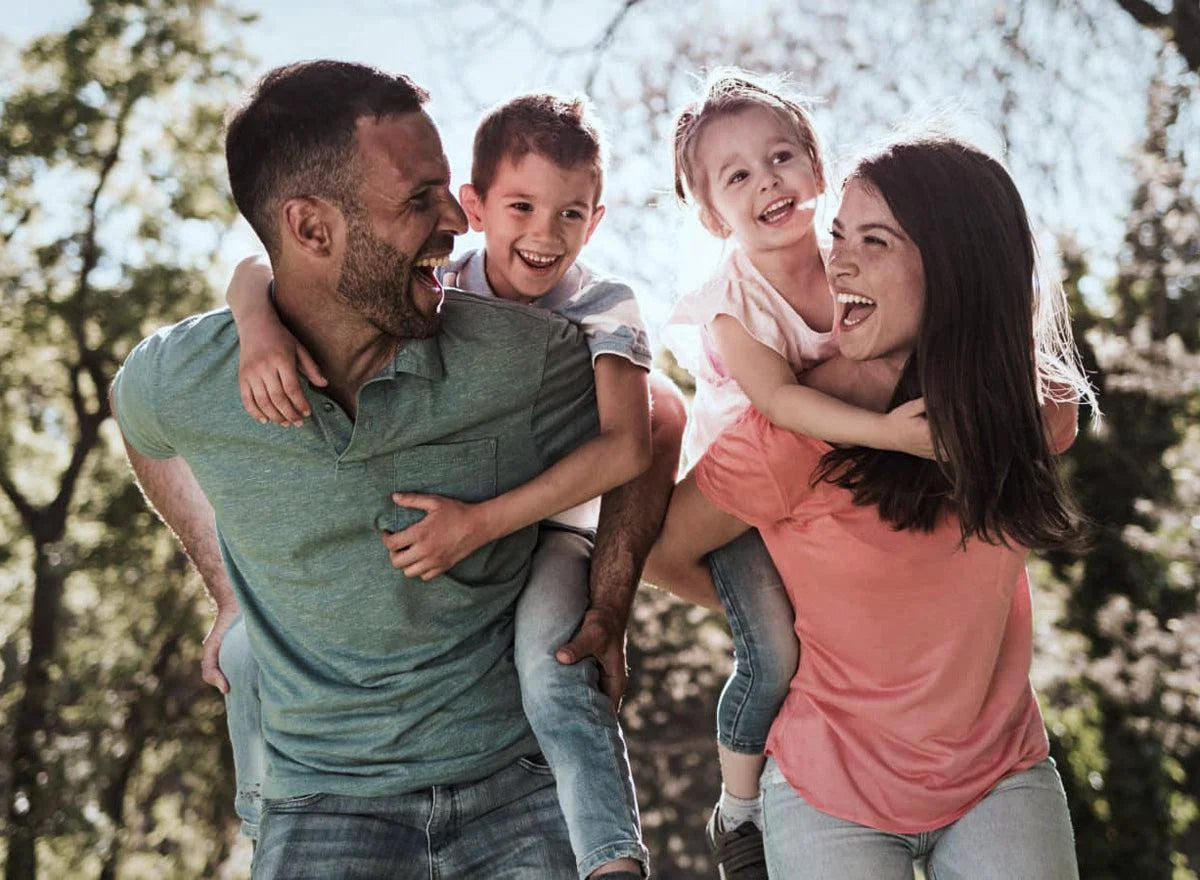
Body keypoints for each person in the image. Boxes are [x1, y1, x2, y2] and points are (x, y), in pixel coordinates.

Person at [111, 60, 679, 880]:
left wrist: (611, 597)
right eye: (420, 199)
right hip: (320, 800)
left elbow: (652, 424)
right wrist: (229, 590)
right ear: (310, 231)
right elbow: (143, 427)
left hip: (509, 785)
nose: (457, 220)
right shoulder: (190, 379)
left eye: (448, 189)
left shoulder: (524, 355)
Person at [645, 133, 1092, 879]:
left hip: (1000, 774)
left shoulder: (1038, 410)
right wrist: (783, 631)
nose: (837, 262)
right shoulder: (788, 435)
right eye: (838, 235)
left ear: (955, 264)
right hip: (829, 791)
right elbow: (663, 555)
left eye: (874, 241)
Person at [659, 69, 932, 876]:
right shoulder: (730, 302)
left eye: (782, 157)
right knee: (774, 650)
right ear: (711, 214)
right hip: (736, 503)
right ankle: (738, 811)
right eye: (737, 176)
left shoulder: (851, 256)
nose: (768, 181)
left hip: (817, 490)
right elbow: (779, 404)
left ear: (818, 168)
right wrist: (887, 430)